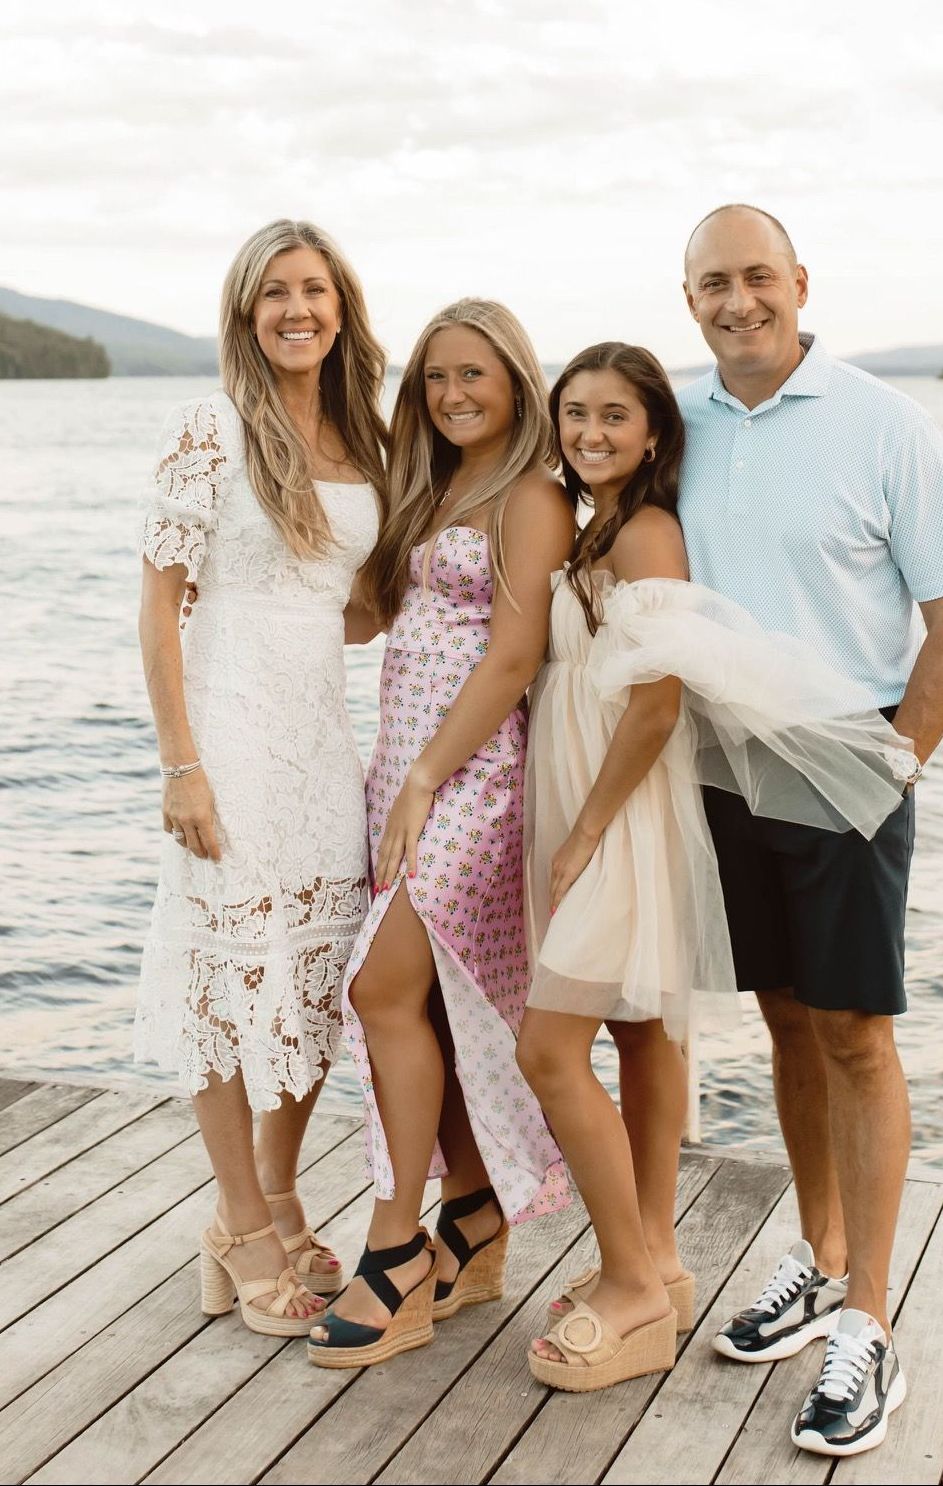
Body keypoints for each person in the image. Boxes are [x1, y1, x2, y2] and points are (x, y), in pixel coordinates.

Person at [517, 342, 914, 1394]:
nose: (591, 433)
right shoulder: (589, 520)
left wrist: (587, 829)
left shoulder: (646, 531)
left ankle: (641, 1278)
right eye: (573, 414)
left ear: (656, 434)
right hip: (600, 801)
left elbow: (655, 700)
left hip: (620, 814)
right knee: (649, 1033)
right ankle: (661, 1261)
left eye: (614, 416)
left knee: (550, 1048)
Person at [679, 204, 943, 1457]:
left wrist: (892, 764)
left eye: (758, 276)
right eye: (713, 281)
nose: (738, 299)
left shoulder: (885, 425)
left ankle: (869, 1320)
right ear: (687, 295)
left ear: (800, 283)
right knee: (786, 1018)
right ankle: (818, 1259)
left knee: (858, 1032)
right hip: (716, 763)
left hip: (846, 760)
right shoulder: (677, 424)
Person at [307, 299, 573, 1371]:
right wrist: (242, 606)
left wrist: (423, 779)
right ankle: (473, 1213)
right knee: (429, 1005)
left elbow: (512, 656)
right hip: (403, 769)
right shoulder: (431, 486)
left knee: (378, 989)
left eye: (474, 375)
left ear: (515, 379)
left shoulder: (533, 494)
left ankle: (394, 1246)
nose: (454, 394)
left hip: (473, 775)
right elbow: (375, 616)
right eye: (434, 379)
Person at [135, 219, 388, 1335]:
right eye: (276, 292)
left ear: (343, 309)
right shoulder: (208, 431)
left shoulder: (365, 439)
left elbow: (364, 606)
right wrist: (180, 763)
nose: (299, 309)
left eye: (316, 291)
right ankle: (239, 1223)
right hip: (228, 740)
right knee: (230, 982)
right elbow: (158, 612)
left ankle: (279, 1200)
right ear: (247, 311)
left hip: (322, 744)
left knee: (319, 981)